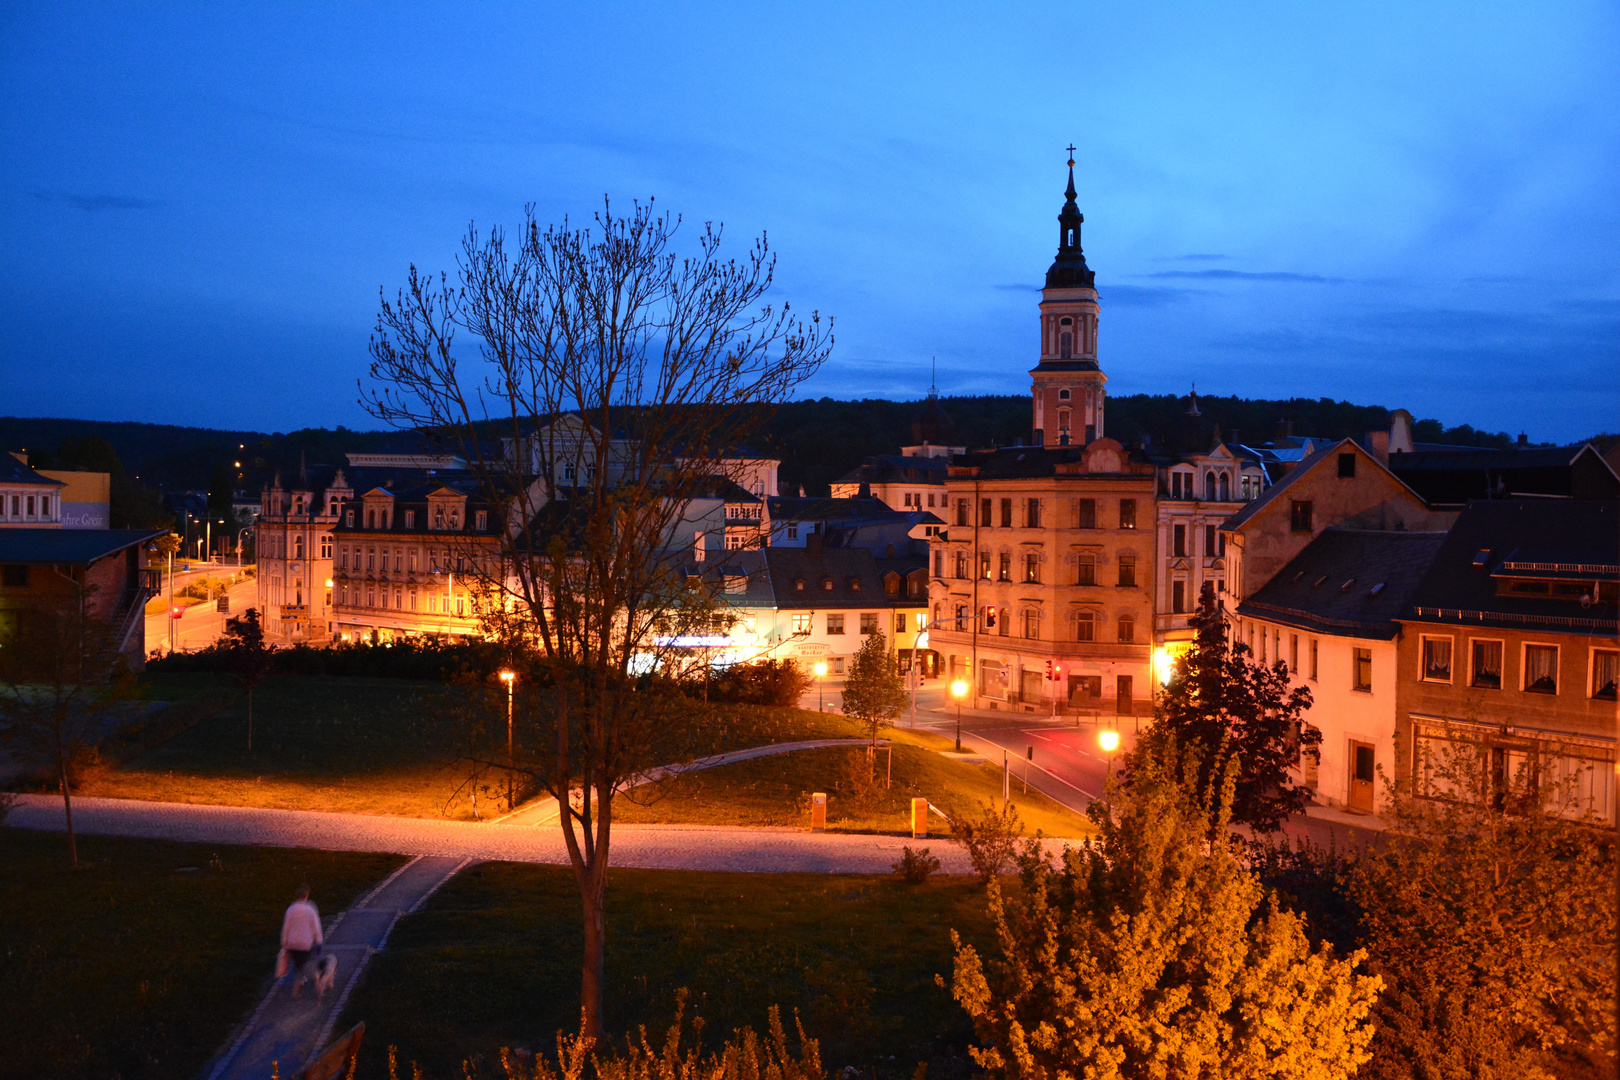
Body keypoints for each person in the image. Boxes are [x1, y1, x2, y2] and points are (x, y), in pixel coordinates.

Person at [279, 885, 323, 998]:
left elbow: (286, 927)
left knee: (298, 964)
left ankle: (301, 980)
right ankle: (297, 988)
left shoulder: (290, 910)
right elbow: (316, 926)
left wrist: (284, 942)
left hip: (292, 943)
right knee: (304, 965)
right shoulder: (310, 910)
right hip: (305, 942)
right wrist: (319, 941)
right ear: (307, 895)